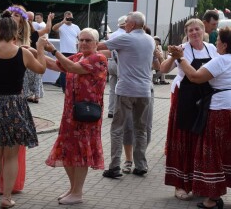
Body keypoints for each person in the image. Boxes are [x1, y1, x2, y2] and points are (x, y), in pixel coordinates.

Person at [170, 26, 231, 209]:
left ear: (224, 45)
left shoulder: (221, 60)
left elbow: (194, 77)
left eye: (218, 41)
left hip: (221, 110)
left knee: (214, 153)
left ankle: (213, 199)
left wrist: (180, 58)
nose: (215, 44)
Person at [0, 10, 46, 208]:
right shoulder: (22, 52)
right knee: (12, 154)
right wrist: (40, 48)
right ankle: (6, 198)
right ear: (16, 31)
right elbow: (41, 69)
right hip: (14, 103)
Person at [43, 28, 107, 205]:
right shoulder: (79, 56)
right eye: (82, 40)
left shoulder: (98, 58)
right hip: (71, 114)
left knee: (81, 152)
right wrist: (31, 50)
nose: (84, 43)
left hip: (86, 116)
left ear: (96, 43)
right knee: (69, 151)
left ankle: (78, 192)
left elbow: (70, 67)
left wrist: (53, 49)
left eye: (88, 40)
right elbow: (56, 65)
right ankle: (73, 189)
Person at [159, 18, 218, 200]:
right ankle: (180, 185)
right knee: (183, 140)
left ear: (203, 30)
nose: (194, 33)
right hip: (185, 98)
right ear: (186, 33)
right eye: (190, 30)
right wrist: (173, 57)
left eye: (196, 29)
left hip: (206, 98)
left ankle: (199, 183)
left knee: (201, 141)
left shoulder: (212, 48)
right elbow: (163, 68)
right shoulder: (181, 49)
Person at [99, 11, 155, 178]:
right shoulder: (150, 39)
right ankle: (141, 165)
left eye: (126, 24)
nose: (124, 27)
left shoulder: (127, 38)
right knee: (141, 129)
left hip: (126, 90)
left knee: (117, 128)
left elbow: (102, 46)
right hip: (145, 91)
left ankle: (115, 166)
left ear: (131, 25)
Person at [25, 11, 54, 103]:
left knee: (29, 77)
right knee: (33, 77)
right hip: (32, 57)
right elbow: (48, 29)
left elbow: (47, 29)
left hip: (29, 57)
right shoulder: (33, 33)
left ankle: (30, 95)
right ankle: (34, 96)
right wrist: (49, 18)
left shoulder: (24, 34)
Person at [52, 11, 80, 92]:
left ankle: (70, 87)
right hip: (64, 51)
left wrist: (79, 50)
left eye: (70, 17)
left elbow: (79, 38)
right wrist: (63, 22)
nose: (69, 19)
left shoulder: (76, 27)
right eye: (67, 17)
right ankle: (65, 89)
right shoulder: (62, 26)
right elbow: (53, 28)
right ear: (64, 17)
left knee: (73, 70)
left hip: (74, 52)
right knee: (64, 70)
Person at [107, 15, 127, 118]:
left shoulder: (113, 34)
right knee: (121, 88)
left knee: (112, 88)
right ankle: (119, 111)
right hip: (120, 63)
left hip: (110, 62)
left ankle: (111, 110)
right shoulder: (125, 35)